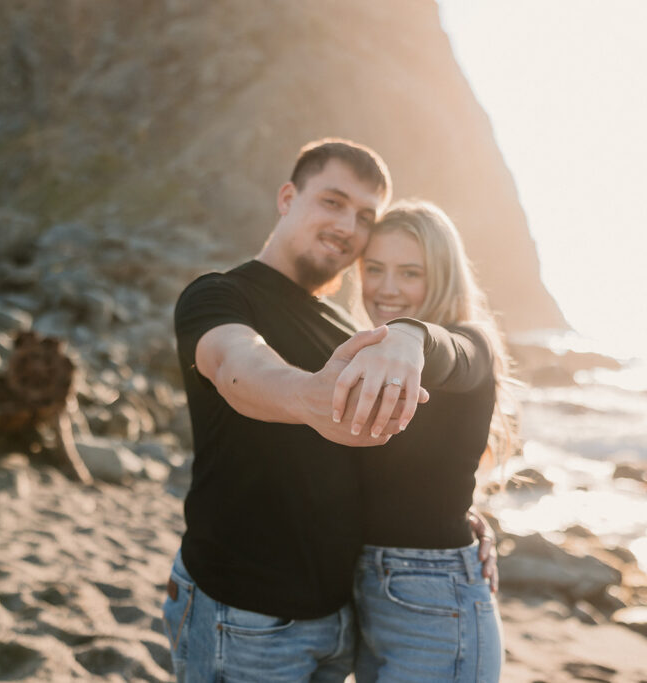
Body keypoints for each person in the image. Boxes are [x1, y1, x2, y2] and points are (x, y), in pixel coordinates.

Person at [163, 139, 494, 682]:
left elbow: (406, 463)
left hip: (343, 623)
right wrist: (307, 397)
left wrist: (462, 525)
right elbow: (236, 365)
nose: (348, 225)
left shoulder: (353, 334)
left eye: (365, 216)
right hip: (244, 617)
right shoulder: (220, 296)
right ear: (289, 197)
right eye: (333, 201)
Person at [347, 200, 513, 682]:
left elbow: (453, 354)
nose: (387, 287)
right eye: (374, 269)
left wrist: (409, 335)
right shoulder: (369, 354)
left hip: (437, 601)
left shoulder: (469, 342)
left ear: (440, 277)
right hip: (367, 595)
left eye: (410, 273)